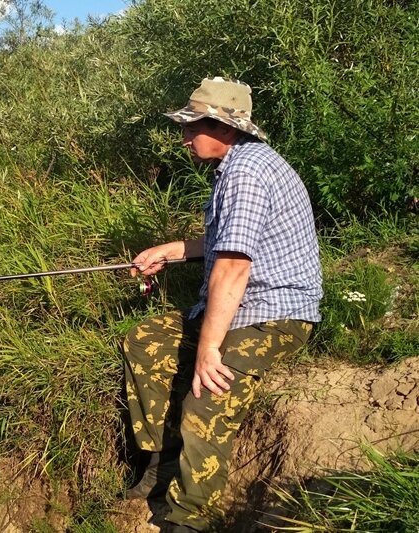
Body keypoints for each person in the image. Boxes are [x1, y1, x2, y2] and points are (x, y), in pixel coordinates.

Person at [122, 77, 322, 532]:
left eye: (194, 127)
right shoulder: (239, 165)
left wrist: (208, 348)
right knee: (145, 340)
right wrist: (170, 251)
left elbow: (233, 269)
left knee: (208, 396)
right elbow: (224, 241)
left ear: (227, 128)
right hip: (243, 305)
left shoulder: (247, 173)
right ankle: (163, 460)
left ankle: (190, 519)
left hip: (276, 314)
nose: (185, 136)